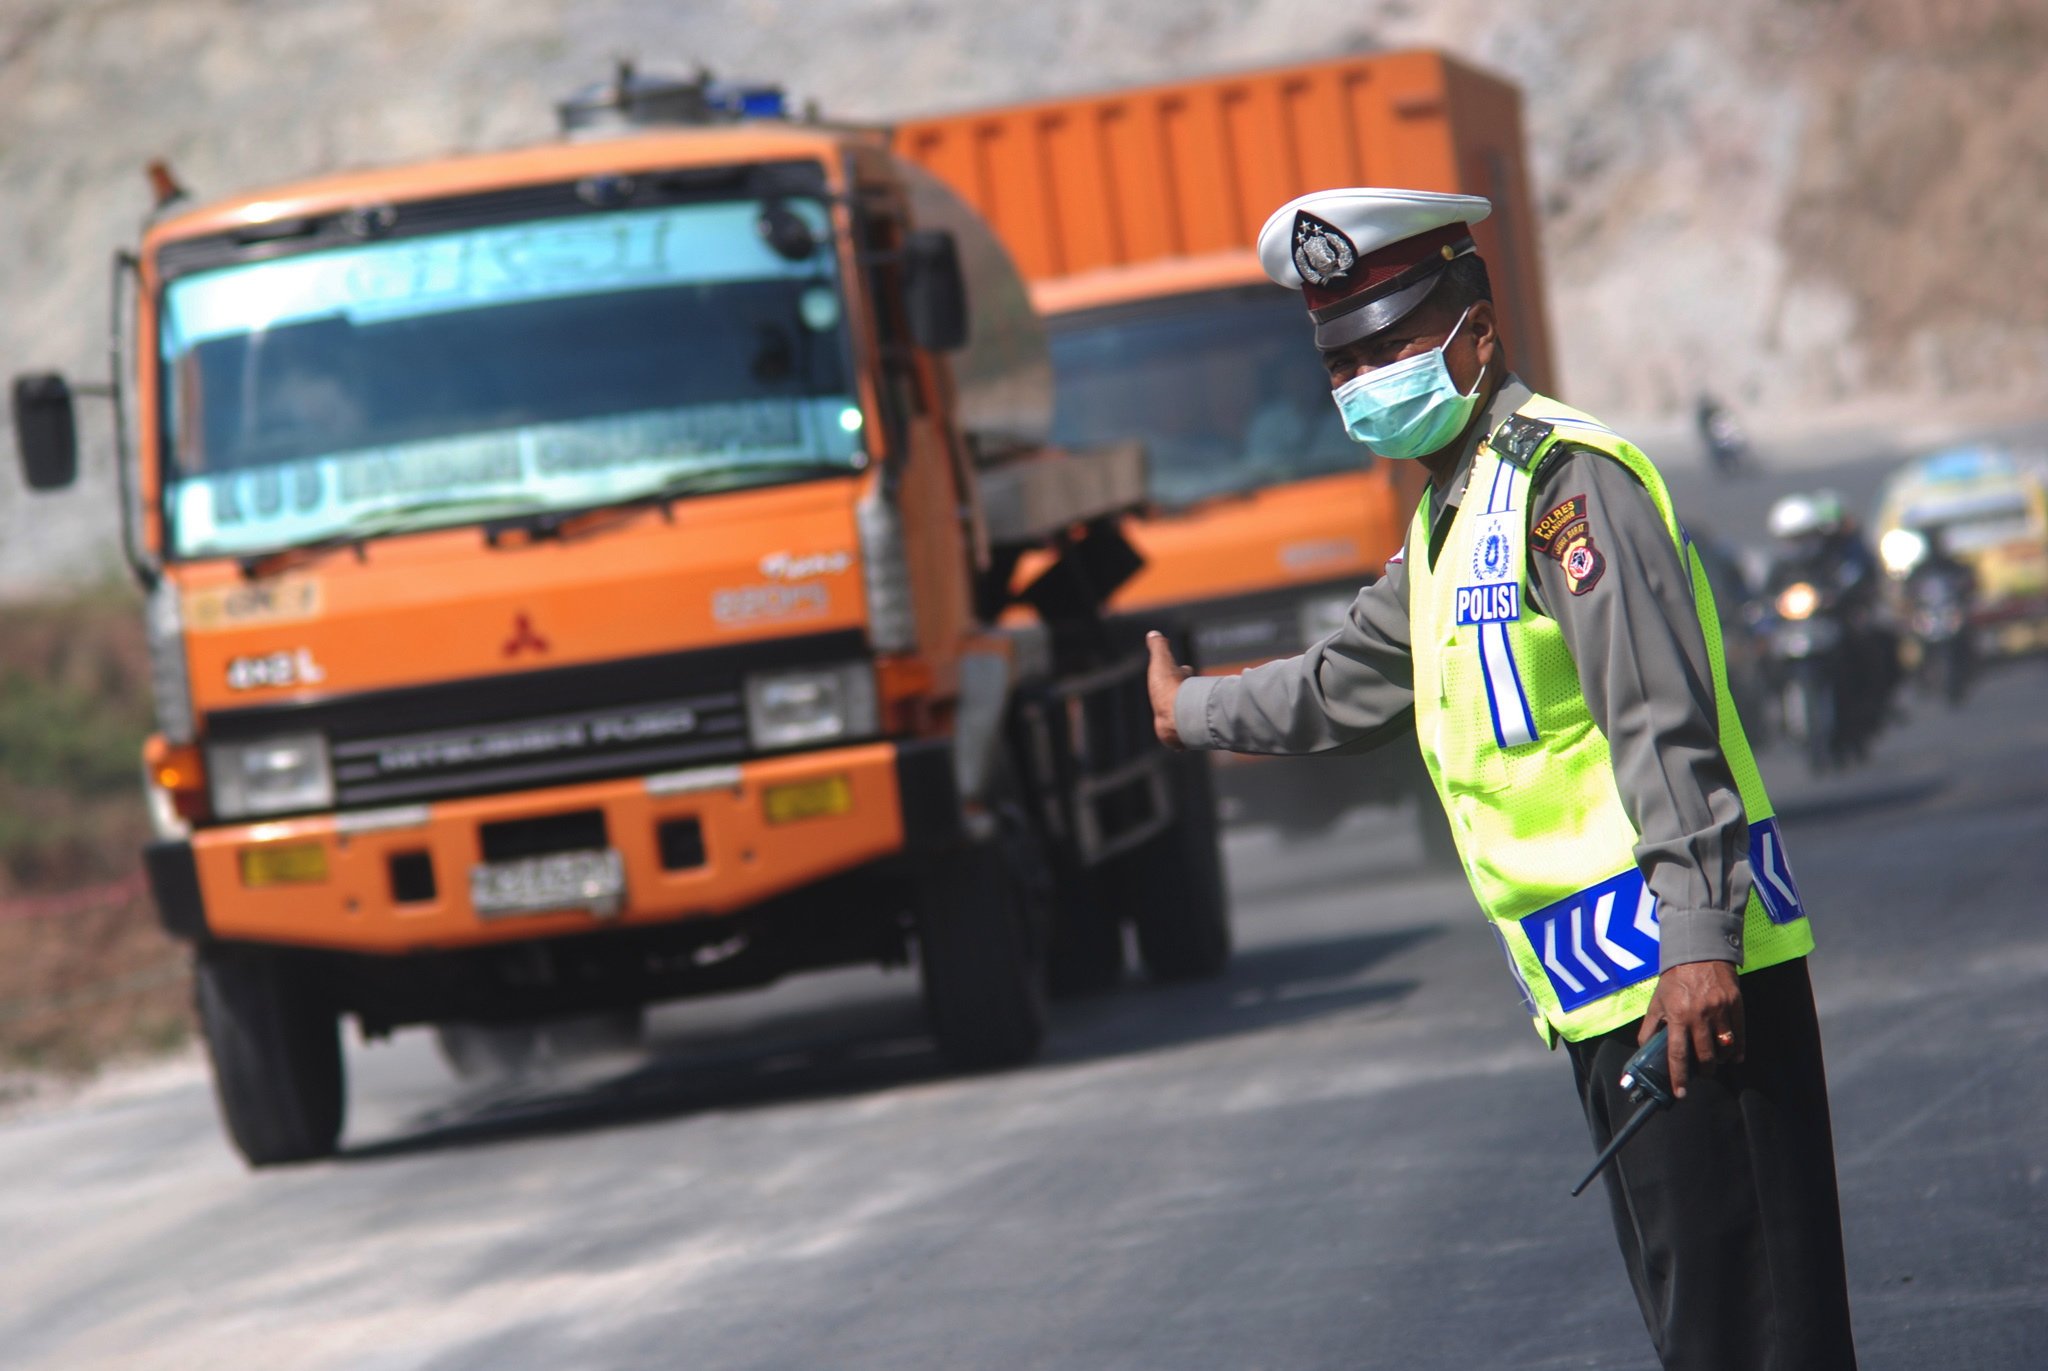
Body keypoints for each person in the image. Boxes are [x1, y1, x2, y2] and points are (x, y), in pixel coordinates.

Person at [1143, 188, 1857, 1370]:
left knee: (1757, 1337)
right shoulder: (1450, 515)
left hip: (1689, 988)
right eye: (1343, 360)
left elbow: (1656, 719)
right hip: (1604, 1003)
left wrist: (1695, 946)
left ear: (1477, 331)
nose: (1365, 379)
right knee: (1704, 1334)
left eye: (1390, 344)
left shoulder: (1564, 485)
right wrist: (1189, 712)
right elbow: (1337, 684)